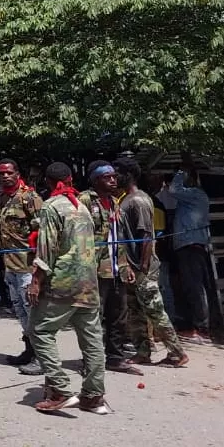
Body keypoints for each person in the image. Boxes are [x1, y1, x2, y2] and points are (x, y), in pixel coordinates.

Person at [27, 162, 111, 414]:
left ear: (49, 182)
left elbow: (47, 248)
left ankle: (61, 388)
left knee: (39, 331)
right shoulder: (82, 207)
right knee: (92, 340)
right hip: (88, 281)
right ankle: (94, 395)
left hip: (63, 282)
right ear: (71, 179)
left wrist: (35, 282)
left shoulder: (52, 207)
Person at [114, 158, 189, 367]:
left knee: (154, 311)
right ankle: (142, 351)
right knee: (135, 312)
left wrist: (143, 267)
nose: (113, 177)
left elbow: (146, 235)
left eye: (117, 172)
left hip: (142, 268)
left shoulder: (138, 200)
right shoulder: (125, 199)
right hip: (130, 267)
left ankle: (177, 353)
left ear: (128, 175)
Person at [79, 161, 141, 375]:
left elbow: (118, 237)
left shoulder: (115, 202)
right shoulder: (85, 200)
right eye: (107, 177)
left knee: (119, 315)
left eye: (114, 176)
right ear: (96, 180)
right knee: (93, 318)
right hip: (95, 269)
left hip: (116, 268)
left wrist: (126, 265)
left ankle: (114, 357)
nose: (113, 180)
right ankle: (90, 361)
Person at [0, 158, 44, 374]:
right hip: (10, 264)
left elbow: (42, 235)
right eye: (2, 173)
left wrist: (39, 268)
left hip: (28, 266)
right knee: (20, 310)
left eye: (9, 172)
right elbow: (0, 234)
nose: (5, 176)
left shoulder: (30, 198)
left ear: (18, 173)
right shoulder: (1, 198)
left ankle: (41, 357)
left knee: (32, 312)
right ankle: (29, 351)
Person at [166, 163, 212, 342]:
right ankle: (197, 326)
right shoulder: (190, 199)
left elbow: (173, 189)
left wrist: (180, 172)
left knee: (195, 288)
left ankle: (202, 329)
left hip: (191, 245)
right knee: (190, 287)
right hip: (187, 246)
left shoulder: (195, 194)